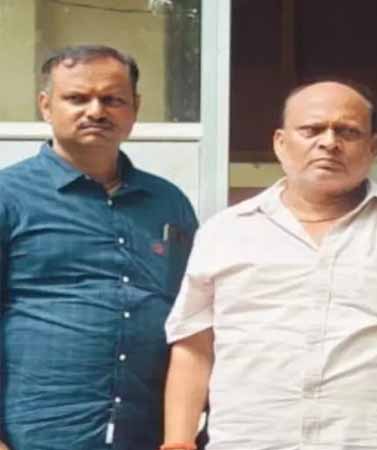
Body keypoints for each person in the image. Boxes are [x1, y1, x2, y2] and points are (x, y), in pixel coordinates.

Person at [162, 80, 377, 450]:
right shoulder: (225, 232)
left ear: (373, 147)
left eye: (348, 131)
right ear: (280, 142)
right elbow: (194, 344)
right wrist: (178, 442)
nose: (329, 142)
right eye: (311, 130)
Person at [0, 45, 198, 450]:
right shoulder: (9, 197)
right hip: (37, 435)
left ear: (135, 108)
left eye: (112, 100)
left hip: (146, 435)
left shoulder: (168, 202)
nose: (96, 111)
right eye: (77, 98)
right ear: (46, 106)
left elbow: (192, 317)